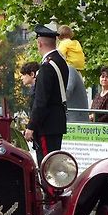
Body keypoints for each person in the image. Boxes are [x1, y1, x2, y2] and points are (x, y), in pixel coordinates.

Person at [24, 24, 69, 166]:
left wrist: (31, 126)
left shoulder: (47, 67)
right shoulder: (60, 62)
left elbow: (41, 100)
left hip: (47, 125)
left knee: (47, 166)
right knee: (53, 166)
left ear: (40, 43)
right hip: (55, 122)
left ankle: (49, 190)